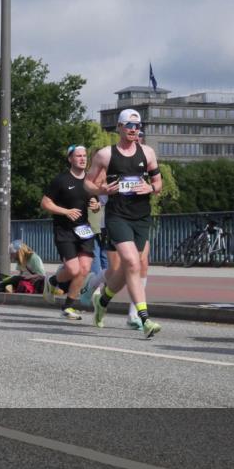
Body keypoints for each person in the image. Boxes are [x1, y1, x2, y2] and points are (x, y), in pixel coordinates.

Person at [85, 109, 163, 337]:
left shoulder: (147, 153)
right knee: (131, 261)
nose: (133, 130)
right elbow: (88, 184)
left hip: (141, 215)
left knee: (131, 265)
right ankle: (144, 317)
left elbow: (158, 182)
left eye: (137, 126)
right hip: (117, 215)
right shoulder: (105, 155)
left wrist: (151, 187)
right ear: (119, 127)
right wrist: (100, 189)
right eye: (129, 125)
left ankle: (103, 299)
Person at [41, 145, 98, 320]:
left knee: (85, 268)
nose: (82, 159)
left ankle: (69, 306)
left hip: (84, 229)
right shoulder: (61, 180)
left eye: (84, 156)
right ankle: (52, 282)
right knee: (73, 270)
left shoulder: (89, 181)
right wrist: (66, 211)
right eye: (78, 156)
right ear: (70, 159)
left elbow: (93, 201)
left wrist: (96, 205)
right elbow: (45, 203)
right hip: (64, 230)